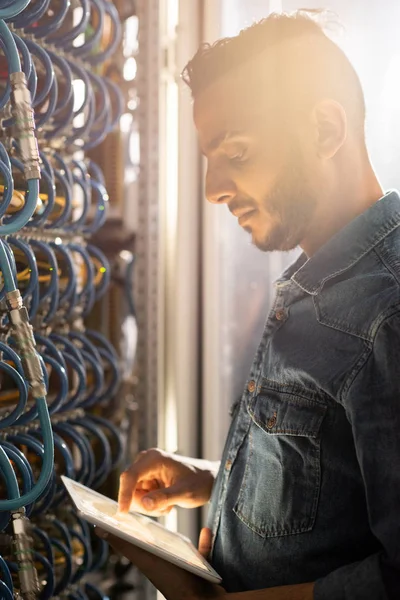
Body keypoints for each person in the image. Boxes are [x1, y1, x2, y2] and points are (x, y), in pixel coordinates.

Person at [96, 10, 400, 600]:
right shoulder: (321, 280)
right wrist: (212, 478)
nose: (213, 189)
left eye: (236, 152)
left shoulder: (386, 311)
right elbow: (335, 480)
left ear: (325, 131)